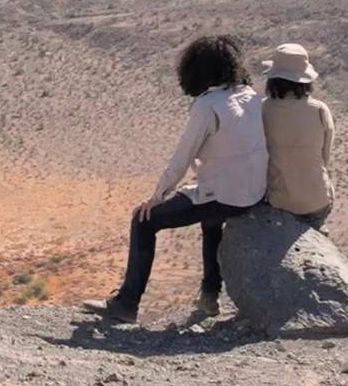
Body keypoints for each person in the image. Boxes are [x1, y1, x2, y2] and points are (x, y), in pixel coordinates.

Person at [82, 35, 268, 323]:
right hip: (253, 192)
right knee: (209, 214)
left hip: (226, 195)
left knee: (144, 221)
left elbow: (181, 159)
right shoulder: (250, 95)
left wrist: (156, 198)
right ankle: (209, 296)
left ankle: (126, 303)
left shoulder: (207, 106)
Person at [261, 43, 335, 230]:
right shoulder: (319, 109)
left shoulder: (261, 110)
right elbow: (325, 158)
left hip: (280, 202)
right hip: (318, 201)